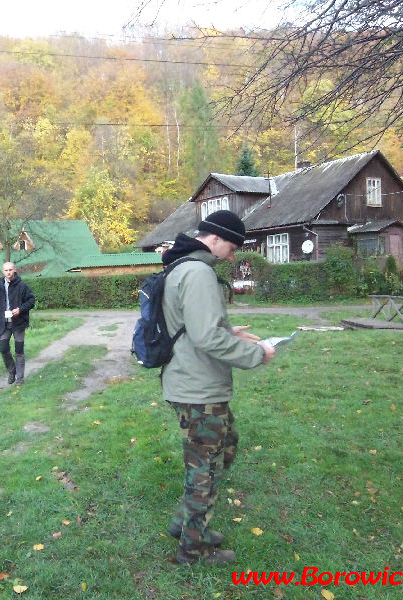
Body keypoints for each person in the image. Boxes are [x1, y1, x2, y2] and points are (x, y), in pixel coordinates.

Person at [160, 210, 276, 567]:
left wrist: (229, 330)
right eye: (232, 247)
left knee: (224, 448)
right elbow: (206, 336)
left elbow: (195, 326)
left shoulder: (183, 266)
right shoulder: (197, 272)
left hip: (194, 382)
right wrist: (257, 353)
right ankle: (194, 550)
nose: (232, 255)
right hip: (198, 389)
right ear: (215, 239)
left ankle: (187, 524)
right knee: (205, 470)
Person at [0, 261, 35, 385]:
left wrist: (20, 309)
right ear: (3, 272)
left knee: (19, 351)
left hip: (19, 323)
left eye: (10, 270)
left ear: (14, 270)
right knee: (3, 349)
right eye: (6, 270)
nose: (8, 272)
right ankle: (12, 371)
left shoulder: (22, 286)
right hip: (4, 323)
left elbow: (31, 301)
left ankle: (20, 378)